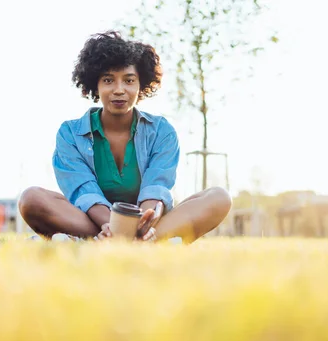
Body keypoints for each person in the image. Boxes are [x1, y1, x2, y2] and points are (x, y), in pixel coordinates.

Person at [18, 31, 232, 244]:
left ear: (141, 85)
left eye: (129, 80)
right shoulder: (70, 133)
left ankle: (97, 243)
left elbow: (157, 186)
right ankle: (146, 244)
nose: (119, 90)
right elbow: (83, 191)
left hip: (147, 224)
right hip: (93, 221)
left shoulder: (161, 131)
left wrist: (144, 222)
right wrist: (111, 226)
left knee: (219, 197)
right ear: (96, 85)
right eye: (108, 80)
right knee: (31, 199)